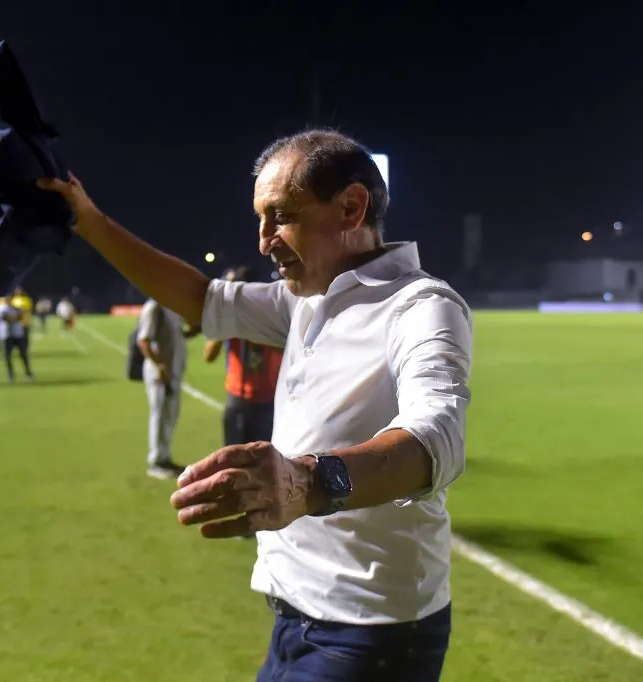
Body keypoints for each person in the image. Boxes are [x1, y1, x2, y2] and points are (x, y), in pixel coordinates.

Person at [39, 128, 472, 681]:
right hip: (294, 616)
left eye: (280, 216)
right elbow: (200, 297)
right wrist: (88, 222)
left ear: (350, 207)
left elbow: (439, 439)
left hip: (372, 633)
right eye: (260, 220)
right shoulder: (304, 302)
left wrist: (309, 481)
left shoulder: (420, 307)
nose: (264, 239)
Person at [203, 266, 283, 446]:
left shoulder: (274, 314)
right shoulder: (231, 317)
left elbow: (287, 351)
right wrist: (228, 323)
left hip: (268, 399)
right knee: (234, 461)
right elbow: (208, 354)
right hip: (240, 398)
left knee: (264, 465)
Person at [136, 298, 193, 479]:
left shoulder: (172, 306)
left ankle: (165, 456)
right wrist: (158, 365)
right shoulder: (154, 307)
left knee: (170, 416)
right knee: (159, 415)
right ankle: (156, 461)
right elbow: (143, 340)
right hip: (160, 373)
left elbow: (178, 334)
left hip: (174, 370)